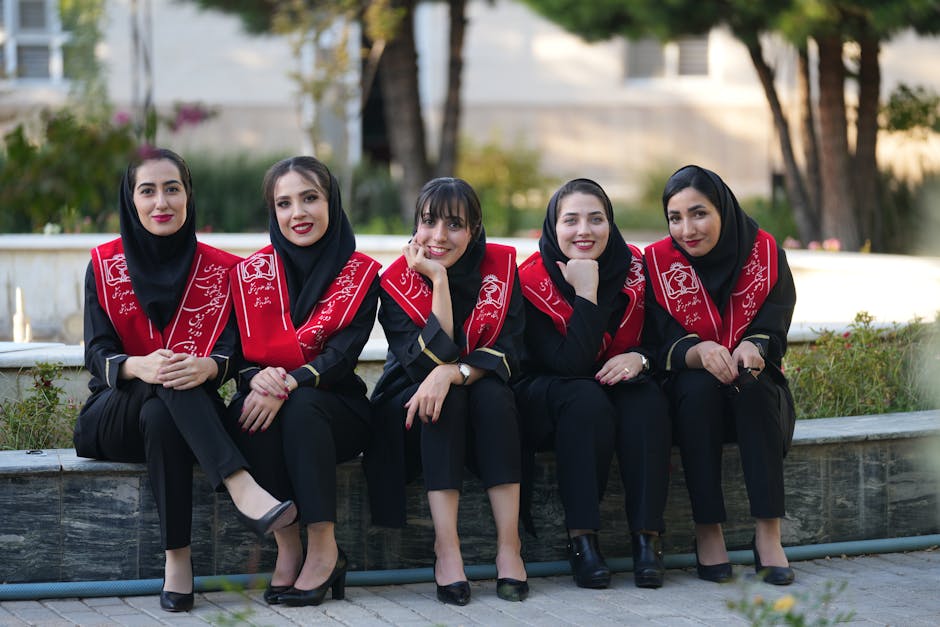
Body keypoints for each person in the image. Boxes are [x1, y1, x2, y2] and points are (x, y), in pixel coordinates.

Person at [74, 148, 297, 613]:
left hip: (185, 423)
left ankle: (177, 562)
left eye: (172, 189)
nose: (162, 202)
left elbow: (238, 350)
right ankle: (239, 483)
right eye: (148, 191)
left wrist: (209, 367)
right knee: (163, 379)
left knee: (164, 408)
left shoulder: (223, 269)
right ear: (131, 200)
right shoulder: (105, 264)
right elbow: (96, 352)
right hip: (114, 416)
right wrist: (140, 366)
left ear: (188, 196)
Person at [364, 177, 528, 605]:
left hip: (482, 397)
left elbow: (509, 352)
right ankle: (447, 549)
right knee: (445, 396)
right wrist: (437, 279)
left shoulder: (501, 270)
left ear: (474, 229)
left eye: (454, 224)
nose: (438, 236)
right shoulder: (395, 283)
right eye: (428, 222)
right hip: (409, 404)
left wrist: (454, 373)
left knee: (493, 396)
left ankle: (509, 546)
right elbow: (428, 363)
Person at [226, 156, 380, 607]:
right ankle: (288, 547)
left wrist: (288, 384)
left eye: (310, 198)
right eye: (284, 203)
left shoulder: (359, 274)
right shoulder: (251, 275)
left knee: (300, 408)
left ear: (331, 202)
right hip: (274, 401)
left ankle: (325, 549)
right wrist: (259, 380)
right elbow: (235, 356)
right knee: (249, 410)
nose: (298, 213)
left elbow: (341, 357)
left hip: (338, 412)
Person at [514, 178, 671, 589]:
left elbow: (663, 339)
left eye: (596, 219)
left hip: (610, 383)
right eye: (571, 220)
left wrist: (640, 358)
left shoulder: (636, 269)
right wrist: (587, 292)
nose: (584, 230)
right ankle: (582, 540)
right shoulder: (529, 281)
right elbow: (570, 365)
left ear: (610, 224)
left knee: (646, 399)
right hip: (547, 392)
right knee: (585, 399)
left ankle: (647, 539)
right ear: (553, 227)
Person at [645, 165, 797, 586]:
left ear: (723, 210)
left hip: (752, 393)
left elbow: (775, 323)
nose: (687, 229)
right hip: (691, 397)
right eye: (675, 218)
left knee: (755, 389)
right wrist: (696, 352)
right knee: (697, 391)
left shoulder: (765, 254)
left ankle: (768, 533)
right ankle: (707, 530)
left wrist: (755, 346)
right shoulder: (657, 264)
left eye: (699, 214)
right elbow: (655, 337)